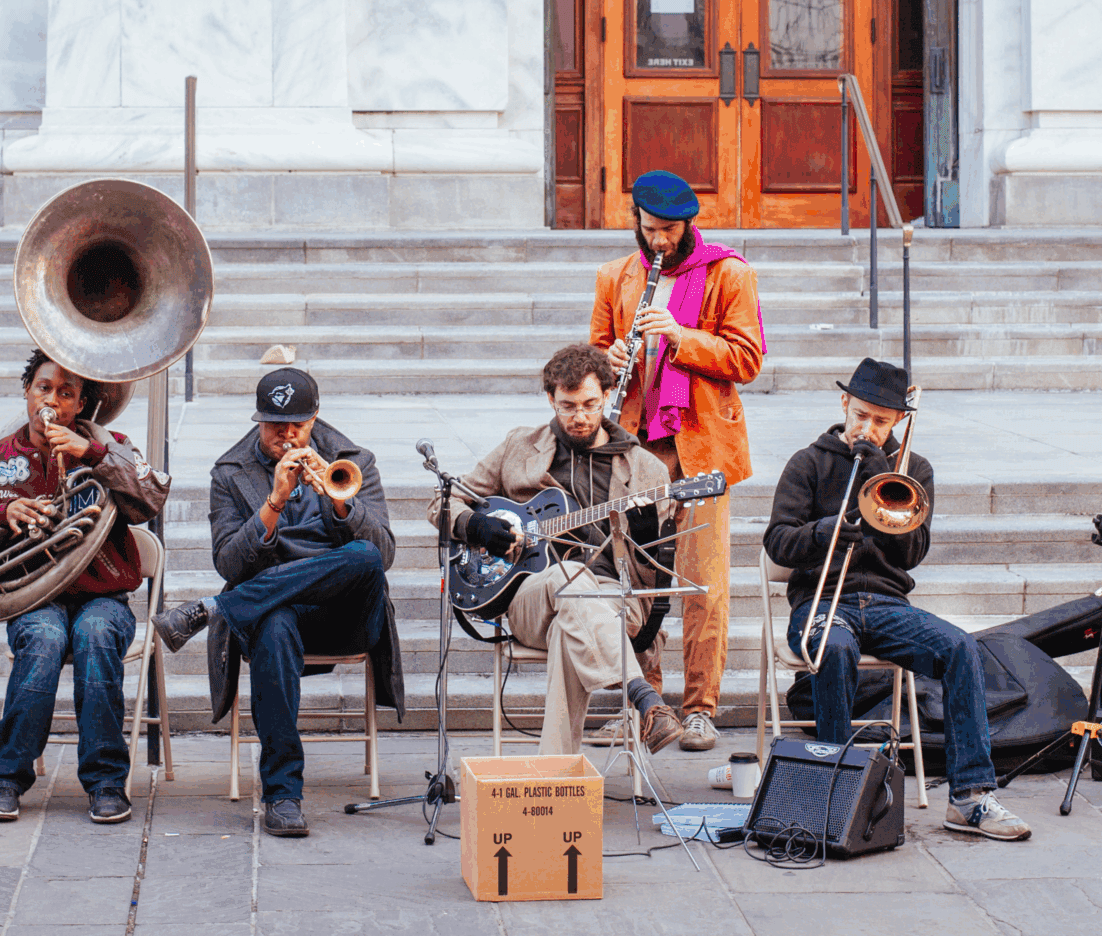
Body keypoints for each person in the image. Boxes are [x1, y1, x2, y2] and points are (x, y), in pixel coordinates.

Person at [762, 358, 1031, 842]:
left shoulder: (913, 470)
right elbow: (778, 542)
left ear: (899, 422)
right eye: (861, 415)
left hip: (887, 606)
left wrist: (883, 473)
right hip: (823, 602)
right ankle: (834, 788)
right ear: (844, 403)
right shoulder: (809, 462)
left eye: (882, 421)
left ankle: (970, 796)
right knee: (835, 648)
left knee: (961, 648)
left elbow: (910, 555)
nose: (868, 427)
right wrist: (828, 531)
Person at [151, 368, 399, 839]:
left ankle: (219, 608)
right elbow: (228, 562)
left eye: (297, 426)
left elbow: (384, 554)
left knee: (363, 554)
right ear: (257, 420)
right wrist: (274, 502)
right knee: (275, 624)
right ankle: (283, 795)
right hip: (275, 615)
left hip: (347, 614)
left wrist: (342, 504)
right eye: (274, 426)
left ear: (315, 418)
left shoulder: (354, 460)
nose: (287, 437)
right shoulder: (230, 473)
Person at [588, 169, 763, 752]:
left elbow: (747, 358)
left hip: (701, 446)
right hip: (634, 447)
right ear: (636, 222)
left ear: (689, 225)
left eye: (669, 230)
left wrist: (681, 336)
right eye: (650, 229)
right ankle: (647, 705)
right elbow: (592, 353)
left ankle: (700, 709)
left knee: (703, 580)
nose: (659, 241)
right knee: (636, 579)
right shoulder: (616, 275)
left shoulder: (728, 273)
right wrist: (609, 359)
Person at [0, 350, 168, 827]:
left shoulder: (110, 446)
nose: (51, 401)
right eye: (43, 388)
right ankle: (4, 779)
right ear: (27, 392)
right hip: (34, 596)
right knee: (45, 638)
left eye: (65, 393)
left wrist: (90, 453)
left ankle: (107, 782)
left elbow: (152, 496)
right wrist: (0, 517)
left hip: (104, 596)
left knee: (94, 636)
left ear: (80, 405)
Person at [435, 344, 680, 754]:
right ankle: (645, 698)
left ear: (608, 395)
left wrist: (644, 531)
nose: (579, 417)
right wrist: (477, 526)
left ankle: (556, 778)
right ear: (551, 399)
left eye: (589, 404)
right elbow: (442, 504)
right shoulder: (520, 446)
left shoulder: (646, 470)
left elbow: (656, 574)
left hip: (617, 601)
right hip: (531, 598)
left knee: (573, 622)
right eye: (567, 406)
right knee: (569, 576)